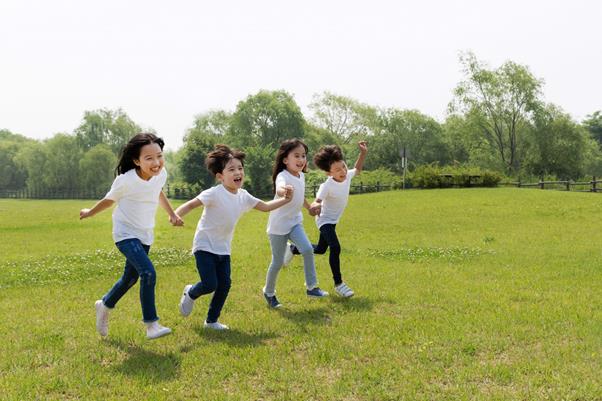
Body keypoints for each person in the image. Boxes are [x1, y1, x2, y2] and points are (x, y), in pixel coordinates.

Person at [176, 144, 293, 329]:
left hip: (224, 247)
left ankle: (211, 321)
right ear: (220, 176)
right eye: (231, 169)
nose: (238, 172)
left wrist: (285, 200)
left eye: (240, 168)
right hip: (204, 245)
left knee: (225, 284)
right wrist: (176, 215)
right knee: (209, 283)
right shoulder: (214, 193)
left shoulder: (243, 196)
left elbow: (265, 206)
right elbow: (191, 204)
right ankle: (191, 293)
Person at [80, 133, 183, 340]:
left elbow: (158, 192)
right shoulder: (125, 180)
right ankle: (151, 324)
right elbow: (110, 200)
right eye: (149, 158)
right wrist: (90, 212)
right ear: (137, 160)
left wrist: (172, 214)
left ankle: (105, 304)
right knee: (148, 272)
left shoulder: (160, 174)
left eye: (159, 156)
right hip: (125, 234)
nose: (156, 162)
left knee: (130, 278)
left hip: (145, 234)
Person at [289, 141, 368, 298]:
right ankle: (339, 284)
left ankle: (292, 249)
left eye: (343, 167)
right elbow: (317, 201)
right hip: (324, 220)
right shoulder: (327, 185)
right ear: (329, 173)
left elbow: (357, 169)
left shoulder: (347, 176)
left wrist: (363, 153)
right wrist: (313, 207)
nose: (343, 171)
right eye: (338, 170)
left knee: (320, 249)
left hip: (333, 220)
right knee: (335, 247)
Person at [262, 138, 329, 309]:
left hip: (294, 222)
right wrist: (285, 191)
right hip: (278, 226)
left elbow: (300, 196)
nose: (301, 160)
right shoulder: (282, 176)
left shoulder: (300, 176)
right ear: (285, 160)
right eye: (296, 156)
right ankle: (268, 293)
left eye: (303, 156)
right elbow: (280, 188)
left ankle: (312, 287)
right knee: (277, 262)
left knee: (307, 249)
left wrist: (309, 207)